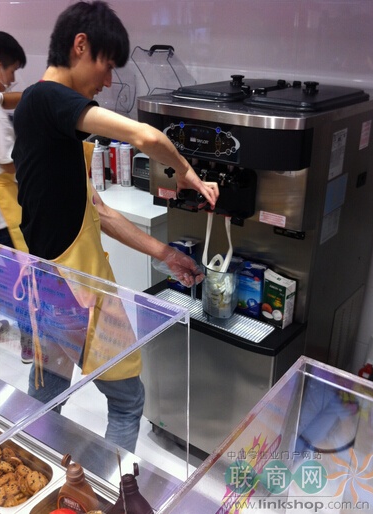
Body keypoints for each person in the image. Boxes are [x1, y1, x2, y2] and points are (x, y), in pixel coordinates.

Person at [12, 0, 219, 453]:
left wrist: (166, 254)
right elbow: (147, 136)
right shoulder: (47, 99)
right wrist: (189, 174)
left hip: (54, 288)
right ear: (80, 45)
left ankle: (33, 469)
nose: (108, 82)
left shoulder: (45, 118)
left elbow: (98, 212)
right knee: (127, 402)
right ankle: (113, 487)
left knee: (48, 393)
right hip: (76, 290)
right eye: (107, 66)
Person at [0, 29, 33, 362]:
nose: (12, 80)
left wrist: (39, 94)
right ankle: (30, 341)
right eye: (12, 71)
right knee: (22, 274)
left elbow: (7, 98)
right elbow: (11, 162)